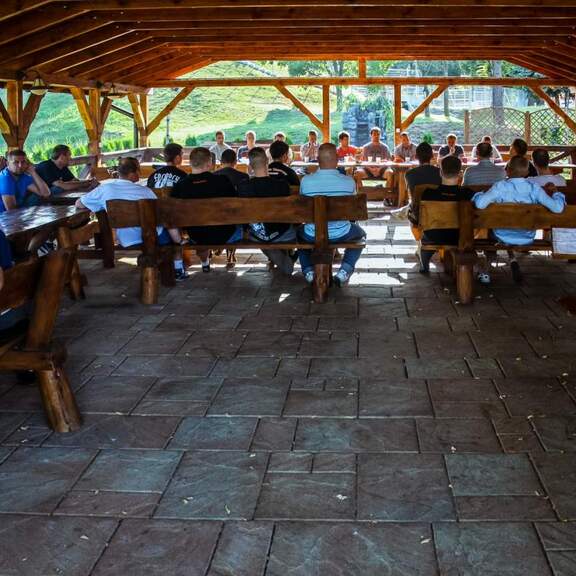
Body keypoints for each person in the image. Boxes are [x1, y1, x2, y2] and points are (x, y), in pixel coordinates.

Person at [76, 157, 187, 279]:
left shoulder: (104, 189)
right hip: (154, 237)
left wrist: (98, 205)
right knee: (173, 232)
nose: (139, 173)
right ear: (132, 174)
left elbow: (79, 204)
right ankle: (178, 269)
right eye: (138, 170)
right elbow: (161, 216)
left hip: (126, 238)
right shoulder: (146, 191)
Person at [473, 156, 566, 283]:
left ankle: (486, 269)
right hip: (526, 236)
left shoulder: (500, 187)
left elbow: (479, 204)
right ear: (527, 172)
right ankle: (511, 259)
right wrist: (556, 193)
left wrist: (480, 194)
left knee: (488, 229)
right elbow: (558, 208)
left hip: (501, 236)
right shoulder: (534, 188)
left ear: (507, 170)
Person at [298, 143, 366, 286]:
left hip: (312, 233)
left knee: (298, 236)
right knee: (360, 235)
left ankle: (308, 271)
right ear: (337, 159)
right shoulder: (348, 182)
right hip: (342, 232)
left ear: (318, 160)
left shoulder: (306, 181)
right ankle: (344, 271)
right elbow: (352, 211)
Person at [171, 147, 241, 272]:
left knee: (202, 232)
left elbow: (172, 214)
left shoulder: (180, 186)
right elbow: (235, 206)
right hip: (225, 235)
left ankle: (204, 261)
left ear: (190, 163)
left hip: (196, 235)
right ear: (209, 163)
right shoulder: (223, 181)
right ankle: (216, 258)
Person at [238, 147, 296, 275]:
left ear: (250, 166)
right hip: (283, 233)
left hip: (257, 235)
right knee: (299, 231)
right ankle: (287, 259)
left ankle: (280, 259)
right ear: (267, 162)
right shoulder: (282, 185)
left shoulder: (243, 187)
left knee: (261, 235)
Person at [418, 156, 474, 273]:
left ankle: (425, 258)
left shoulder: (428, 194)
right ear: (460, 173)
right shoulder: (468, 194)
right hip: (461, 236)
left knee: (426, 236)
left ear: (440, 172)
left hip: (434, 235)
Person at [355, 127, 392, 192]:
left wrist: (379, 169)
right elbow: (363, 162)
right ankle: (361, 193)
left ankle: (386, 194)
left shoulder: (385, 147)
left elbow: (388, 161)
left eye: (378, 134)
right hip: (368, 169)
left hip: (382, 169)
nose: (376, 136)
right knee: (357, 173)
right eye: (374, 134)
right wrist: (371, 169)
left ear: (380, 135)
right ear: (371, 135)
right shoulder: (366, 147)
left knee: (390, 173)